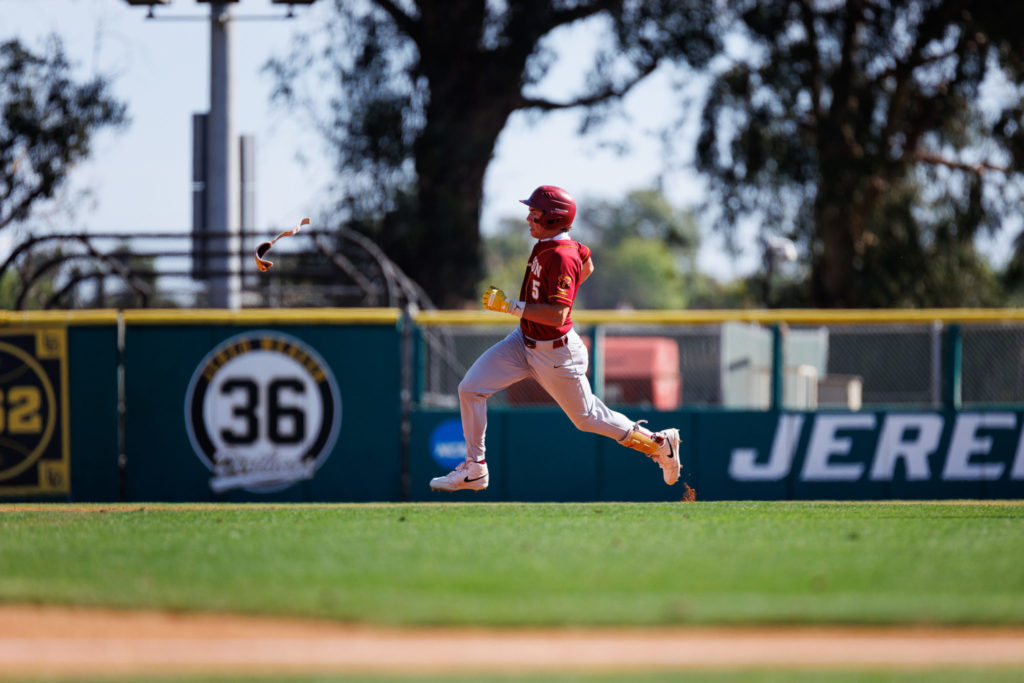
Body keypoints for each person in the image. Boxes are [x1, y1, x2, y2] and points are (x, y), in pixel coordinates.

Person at [429, 185, 682, 493]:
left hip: (556, 354)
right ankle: (475, 468)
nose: (528, 219)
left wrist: (510, 306)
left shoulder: (561, 255)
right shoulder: (554, 244)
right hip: (524, 341)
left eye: (535, 214)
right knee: (470, 388)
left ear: (552, 219)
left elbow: (558, 315)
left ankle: (658, 443)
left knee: (587, 418)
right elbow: (587, 263)